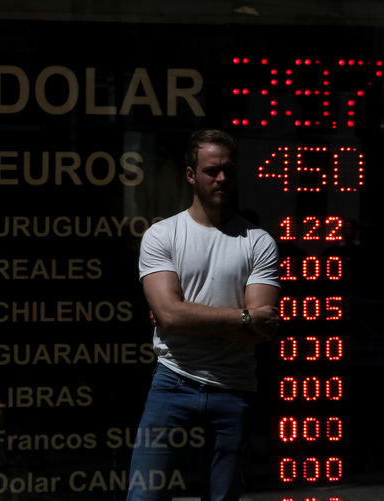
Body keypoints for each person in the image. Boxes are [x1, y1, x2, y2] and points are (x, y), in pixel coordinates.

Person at [126, 129, 281, 501]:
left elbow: (264, 326)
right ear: (191, 174)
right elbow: (171, 314)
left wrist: (184, 315)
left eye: (228, 170)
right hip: (172, 383)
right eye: (212, 170)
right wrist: (242, 317)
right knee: (143, 497)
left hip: (234, 389)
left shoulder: (258, 241)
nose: (222, 178)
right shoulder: (162, 235)